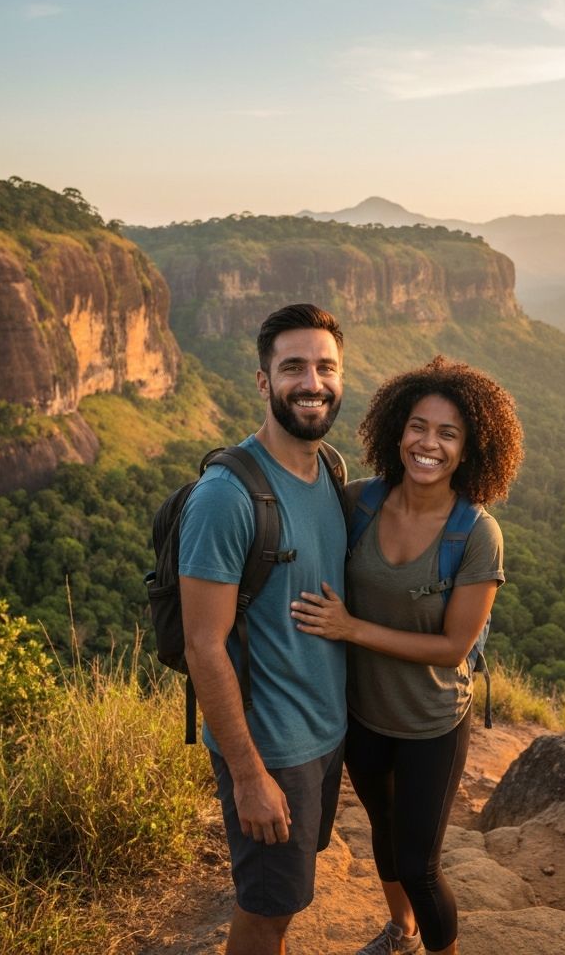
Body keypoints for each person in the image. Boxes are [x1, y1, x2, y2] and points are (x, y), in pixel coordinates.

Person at [290, 355, 524, 955]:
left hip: (430, 724)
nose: (429, 444)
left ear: (469, 450)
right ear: (397, 432)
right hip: (364, 717)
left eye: (448, 434)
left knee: (420, 864)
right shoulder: (358, 504)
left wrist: (350, 628)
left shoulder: (475, 534)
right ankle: (402, 932)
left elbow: (453, 649)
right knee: (385, 838)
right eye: (419, 427)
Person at [179, 303, 348, 955]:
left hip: (324, 737)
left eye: (325, 366)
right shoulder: (228, 495)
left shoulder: (329, 469)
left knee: (288, 896)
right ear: (262, 380)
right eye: (293, 367)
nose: (312, 382)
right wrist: (249, 775)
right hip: (270, 749)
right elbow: (203, 644)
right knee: (266, 913)